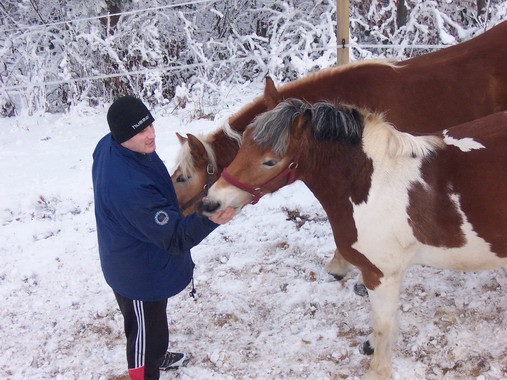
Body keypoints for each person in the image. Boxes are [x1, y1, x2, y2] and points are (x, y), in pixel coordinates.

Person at [92, 95, 235, 380]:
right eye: (140, 131)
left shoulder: (113, 147)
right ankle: (149, 364)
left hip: (139, 253)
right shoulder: (130, 189)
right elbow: (174, 238)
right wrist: (210, 216)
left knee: (154, 323)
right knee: (143, 337)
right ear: (123, 137)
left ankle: (157, 354)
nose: (150, 134)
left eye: (150, 126)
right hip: (137, 274)